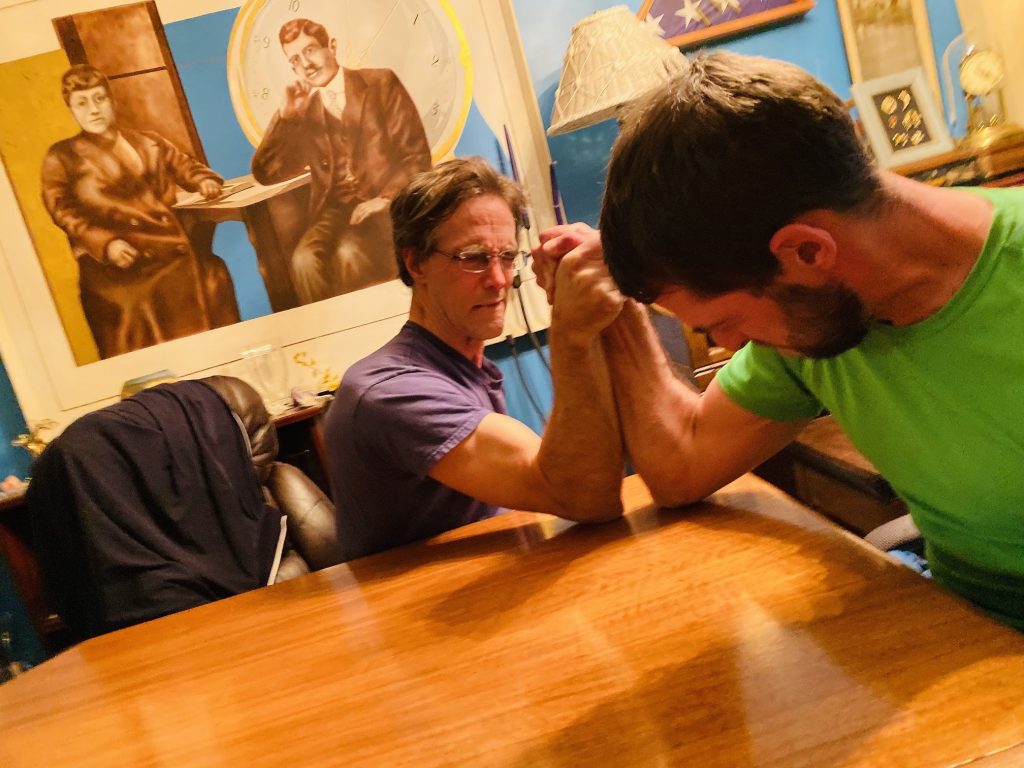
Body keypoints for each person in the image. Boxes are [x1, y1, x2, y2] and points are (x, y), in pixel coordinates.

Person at [533, 52, 1024, 632]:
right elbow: (682, 466)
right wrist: (610, 306)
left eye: (723, 321)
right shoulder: (820, 314)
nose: (727, 342)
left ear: (807, 251)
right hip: (961, 627)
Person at [322, 157, 624, 561]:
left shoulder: (468, 367)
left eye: (507, 257)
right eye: (474, 258)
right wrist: (571, 331)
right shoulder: (388, 392)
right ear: (415, 263)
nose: (499, 280)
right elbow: (582, 494)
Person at [41, 65, 240, 359]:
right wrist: (106, 244)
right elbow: (63, 211)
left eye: (99, 99)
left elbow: (185, 166)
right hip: (115, 264)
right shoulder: (62, 157)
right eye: (82, 103)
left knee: (214, 272)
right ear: (71, 109)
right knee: (145, 298)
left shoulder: (148, 141)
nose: (93, 110)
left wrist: (204, 180)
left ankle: (221, 357)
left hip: (166, 245)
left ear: (112, 102)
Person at [252, 17, 432, 305]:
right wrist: (286, 117)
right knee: (302, 260)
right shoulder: (304, 111)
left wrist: (386, 198)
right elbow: (266, 173)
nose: (306, 64)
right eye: (295, 60)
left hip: (385, 208)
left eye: (310, 50)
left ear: (332, 47)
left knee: (349, 254)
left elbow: (416, 157)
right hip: (333, 211)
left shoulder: (380, 83)